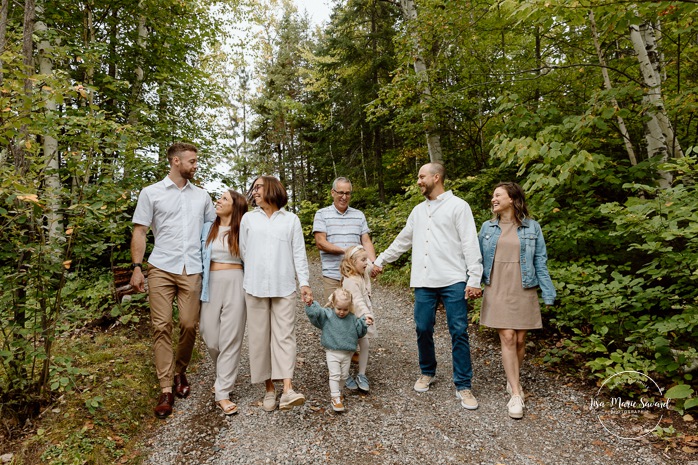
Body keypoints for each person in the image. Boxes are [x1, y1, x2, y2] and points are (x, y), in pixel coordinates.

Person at [373, 163, 483, 410]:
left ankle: (463, 385)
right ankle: (427, 371)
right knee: (423, 327)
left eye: (422, 177)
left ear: (436, 177)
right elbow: (403, 240)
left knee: (459, 331)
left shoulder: (459, 206)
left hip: (454, 278)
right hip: (424, 280)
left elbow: (469, 243)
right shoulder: (418, 211)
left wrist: (474, 278)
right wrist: (380, 260)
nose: (419, 181)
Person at [129, 142, 216, 419]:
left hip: (191, 268)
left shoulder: (202, 196)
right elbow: (140, 231)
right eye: (191, 161)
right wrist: (137, 267)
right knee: (161, 325)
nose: (195, 165)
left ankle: (180, 370)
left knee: (189, 324)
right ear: (176, 161)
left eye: (196, 161)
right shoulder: (151, 193)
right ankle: (166, 388)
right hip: (161, 267)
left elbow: (215, 230)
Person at [478, 182, 556, 419]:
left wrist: (548, 291)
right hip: (497, 285)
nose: (493, 199)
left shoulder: (532, 227)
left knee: (521, 340)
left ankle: (513, 379)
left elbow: (540, 261)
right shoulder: (487, 228)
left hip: (523, 286)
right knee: (508, 336)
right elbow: (475, 259)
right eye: (492, 196)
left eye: (498, 195)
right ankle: (515, 392)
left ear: (512, 199)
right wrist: (469, 284)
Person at [239, 175, 313, 411]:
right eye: (253, 189)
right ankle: (269, 388)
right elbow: (244, 252)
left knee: (284, 336)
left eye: (258, 187)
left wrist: (304, 283)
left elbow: (299, 253)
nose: (254, 192)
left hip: (284, 286)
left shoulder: (290, 220)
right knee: (261, 338)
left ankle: (288, 389)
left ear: (271, 188)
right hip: (255, 286)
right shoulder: (248, 219)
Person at [200, 189, 248, 415]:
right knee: (210, 337)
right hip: (211, 283)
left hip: (236, 282)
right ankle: (223, 376)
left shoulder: (243, 231)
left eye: (224, 199)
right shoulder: (207, 229)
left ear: (235, 206)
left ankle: (223, 392)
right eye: (218, 198)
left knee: (231, 337)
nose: (218, 201)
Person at [305, 288, 371, 412]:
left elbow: (359, 333)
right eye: (339, 308)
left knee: (344, 376)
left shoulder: (352, 318)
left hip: (347, 352)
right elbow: (316, 314)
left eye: (345, 309)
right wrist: (310, 305)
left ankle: (339, 392)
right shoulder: (328, 315)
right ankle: (335, 397)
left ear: (349, 307)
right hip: (332, 351)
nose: (341, 312)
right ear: (333, 305)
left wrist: (364, 323)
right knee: (335, 375)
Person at [313, 177, 377, 303]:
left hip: (356, 275)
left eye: (347, 193)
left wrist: (373, 263)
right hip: (332, 275)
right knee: (334, 316)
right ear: (333, 192)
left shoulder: (359, 215)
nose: (344, 197)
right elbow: (320, 242)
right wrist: (346, 251)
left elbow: (366, 241)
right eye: (341, 192)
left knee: (358, 313)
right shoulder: (321, 214)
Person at [340, 245, 376, 392]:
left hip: (362, 317)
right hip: (353, 317)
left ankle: (361, 374)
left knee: (365, 344)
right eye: (363, 260)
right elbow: (358, 301)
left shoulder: (362, 271)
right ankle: (344, 374)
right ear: (352, 262)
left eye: (366, 259)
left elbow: (372, 265)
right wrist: (367, 314)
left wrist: (378, 264)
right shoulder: (351, 280)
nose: (366, 262)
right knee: (349, 347)